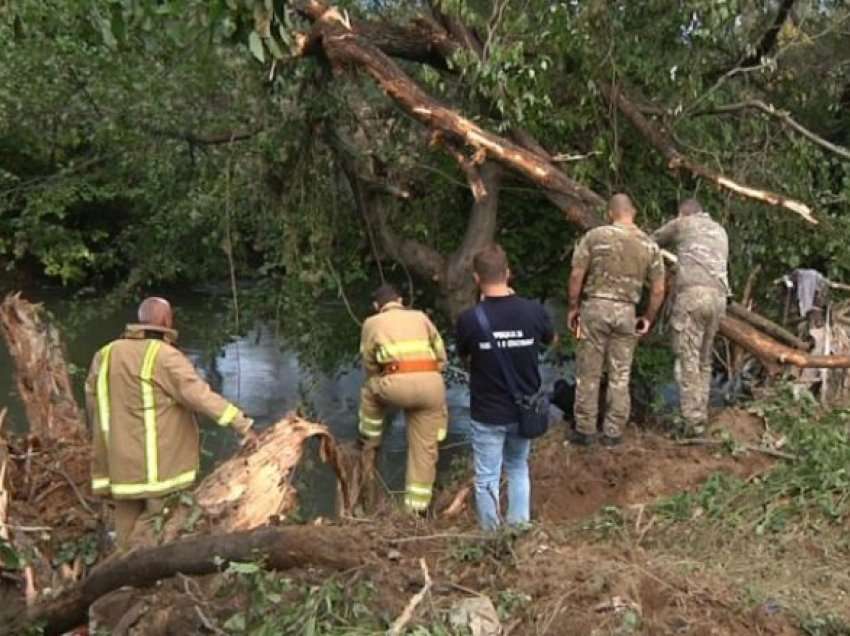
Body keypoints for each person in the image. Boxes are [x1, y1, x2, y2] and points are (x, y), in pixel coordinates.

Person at [86, 297, 255, 551]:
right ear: (166, 321)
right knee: (160, 530)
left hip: (118, 465)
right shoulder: (165, 356)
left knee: (125, 531)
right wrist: (242, 424)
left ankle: (121, 578)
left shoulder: (105, 354)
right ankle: (150, 581)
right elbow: (200, 396)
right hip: (158, 470)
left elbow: (92, 402)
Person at [456, 245, 554, 531]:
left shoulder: (470, 319)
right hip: (524, 409)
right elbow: (551, 339)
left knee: (486, 475)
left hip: (488, 412)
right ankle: (519, 528)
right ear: (508, 273)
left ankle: (491, 536)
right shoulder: (534, 312)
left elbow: (464, 354)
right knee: (518, 467)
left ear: (476, 278)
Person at [567, 194, 665, 446]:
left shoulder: (595, 236)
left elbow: (577, 274)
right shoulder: (649, 245)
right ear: (634, 212)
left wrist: (573, 307)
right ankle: (613, 432)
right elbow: (658, 290)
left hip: (595, 308)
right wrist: (648, 318)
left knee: (588, 372)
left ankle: (585, 430)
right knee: (620, 376)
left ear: (611, 213)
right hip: (626, 313)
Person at [358, 284, 448, 514]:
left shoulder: (371, 323)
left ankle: (371, 436)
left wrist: (381, 378)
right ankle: (416, 511)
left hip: (397, 384)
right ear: (400, 300)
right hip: (432, 386)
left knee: (369, 390)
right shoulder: (420, 317)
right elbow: (441, 355)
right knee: (424, 452)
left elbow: (369, 363)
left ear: (377, 306)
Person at [652, 198, 729, 434]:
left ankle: (691, 423)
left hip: (692, 297)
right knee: (704, 361)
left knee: (687, 359)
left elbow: (650, 241)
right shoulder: (719, 230)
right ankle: (701, 415)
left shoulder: (683, 224)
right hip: (718, 299)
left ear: (682, 213)